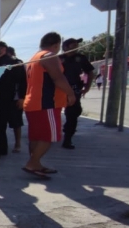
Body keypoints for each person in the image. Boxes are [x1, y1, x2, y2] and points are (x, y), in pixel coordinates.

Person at [22, 32, 76, 178]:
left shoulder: (34, 58)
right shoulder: (49, 56)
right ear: (56, 45)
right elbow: (58, 78)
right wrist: (70, 93)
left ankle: (36, 163)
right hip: (46, 103)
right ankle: (33, 163)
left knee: (36, 137)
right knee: (48, 137)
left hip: (33, 102)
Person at [60, 37, 95, 150]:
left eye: (77, 45)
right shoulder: (58, 59)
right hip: (59, 90)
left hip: (74, 90)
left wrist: (87, 87)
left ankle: (68, 139)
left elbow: (90, 72)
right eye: (73, 45)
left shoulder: (81, 58)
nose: (76, 47)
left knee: (73, 114)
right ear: (65, 47)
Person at [7, 46, 26, 154]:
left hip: (16, 98)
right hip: (4, 98)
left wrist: (22, 98)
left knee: (16, 123)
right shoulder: (1, 64)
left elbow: (24, 82)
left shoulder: (18, 64)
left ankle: (17, 143)